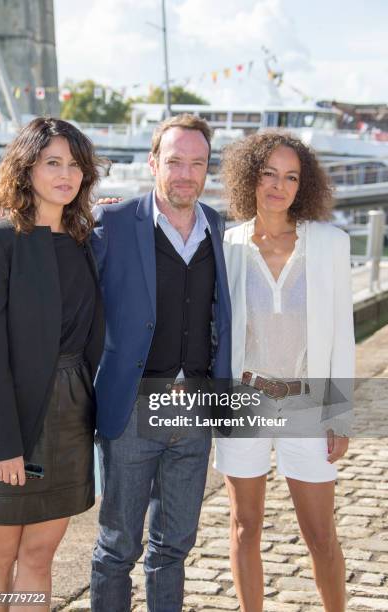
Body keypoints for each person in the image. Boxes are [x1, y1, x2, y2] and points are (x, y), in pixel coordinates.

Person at [90, 113, 232, 612]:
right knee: (117, 548)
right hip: (131, 409)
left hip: (194, 410)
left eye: (197, 163)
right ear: (153, 163)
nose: (185, 174)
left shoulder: (216, 225)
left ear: (208, 169)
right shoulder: (109, 223)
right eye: (174, 161)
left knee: (174, 546)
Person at [214, 131, 355, 612]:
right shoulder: (226, 244)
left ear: (304, 184)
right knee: (243, 525)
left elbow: (341, 333)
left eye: (291, 176)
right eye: (269, 173)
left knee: (320, 535)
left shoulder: (330, 244)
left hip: (307, 404)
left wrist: (340, 415)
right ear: (249, 177)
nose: (279, 185)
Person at [0, 117, 105, 611]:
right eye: (53, 162)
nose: (66, 174)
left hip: (72, 416)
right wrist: (4, 445)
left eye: (75, 165)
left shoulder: (84, 241)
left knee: (40, 553)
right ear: (26, 167)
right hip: (12, 419)